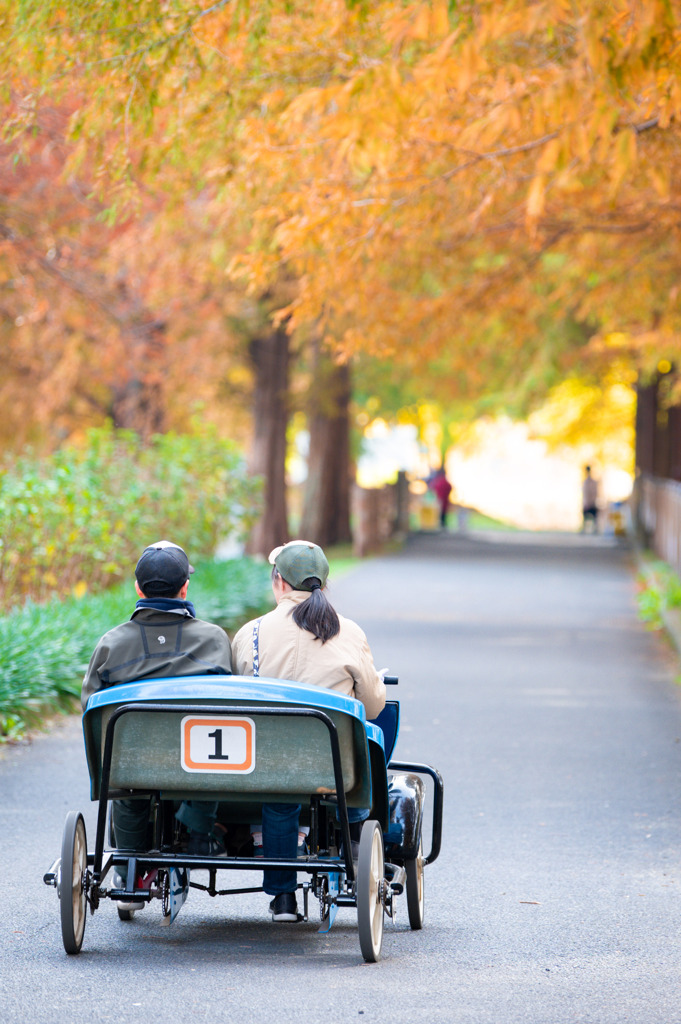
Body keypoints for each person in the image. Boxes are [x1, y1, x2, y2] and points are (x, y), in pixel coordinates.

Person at [232, 539, 386, 923]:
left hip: (261, 765)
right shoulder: (348, 632)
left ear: (279, 582)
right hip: (334, 769)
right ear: (323, 584)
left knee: (280, 787)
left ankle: (282, 898)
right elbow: (372, 706)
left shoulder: (249, 633)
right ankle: (352, 831)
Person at [81, 540, 233, 907]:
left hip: (135, 763)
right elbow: (232, 706)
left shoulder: (111, 645)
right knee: (212, 742)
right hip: (199, 763)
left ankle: (129, 875)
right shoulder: (212, 640)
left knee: (127, 776)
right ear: (185, 588)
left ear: (138, 588)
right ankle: (199, 831)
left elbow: (90, 707)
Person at [581, 466, 599, 533]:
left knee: (594, 516)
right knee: (586, 516)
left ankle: (594, 529)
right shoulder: (586, 482)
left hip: (591, 502)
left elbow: (594, 492)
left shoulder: (590, 482)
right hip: (589, 502)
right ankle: (585, 528)